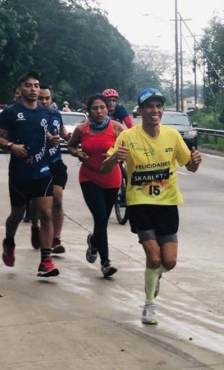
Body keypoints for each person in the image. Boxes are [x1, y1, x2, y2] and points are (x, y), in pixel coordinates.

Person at [102, 88, 202, 325]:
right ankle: (149, 304)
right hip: (140, 203)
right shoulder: (127, 137)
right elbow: (104, 168)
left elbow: (190, 166)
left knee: (169, 262)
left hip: (167, 204)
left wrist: (195, 162)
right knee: (154, 257)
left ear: (162, 110)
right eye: (149, 106)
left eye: (158, 106)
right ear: (140, 110)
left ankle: (154, 277)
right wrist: (115, 159)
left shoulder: (172, 136)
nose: (154, 111)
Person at [0, 71, 60, 277]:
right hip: (20, 173)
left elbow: (43, 132)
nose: (33, 89)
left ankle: (46, 261)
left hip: (43, 170)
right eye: (28, 85)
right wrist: (12, 146)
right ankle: (9, 240)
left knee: (46, 213)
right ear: (20, 89)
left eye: (36, 85)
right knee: (17, 214)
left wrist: (52, 139)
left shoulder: (45, 112)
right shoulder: (11, 112)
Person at [67, 94, 127, 277]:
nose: (99, 111)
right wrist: (77, 153)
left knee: (101, 221)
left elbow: (129, 147)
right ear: (89, 111)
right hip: (89, 178)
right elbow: (71, 146)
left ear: (107, 108)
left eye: (102, 107)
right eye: (95, 108)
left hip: (111, 179)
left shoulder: (117, 128)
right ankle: (106, 263)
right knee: (101, 217)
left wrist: (121, 155)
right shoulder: (81, 129)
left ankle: (93, 241)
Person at [26, 85, 71, 253]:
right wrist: (48, 138)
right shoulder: (30, 116)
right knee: (39, 203)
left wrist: (68, 137)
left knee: (57, 199)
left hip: (55, 162)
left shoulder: (55, 114)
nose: (45, 101)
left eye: (47, 98)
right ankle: (35, 225)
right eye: (41, 98)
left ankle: (56, 239)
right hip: (37, 164)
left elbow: (61, 129)